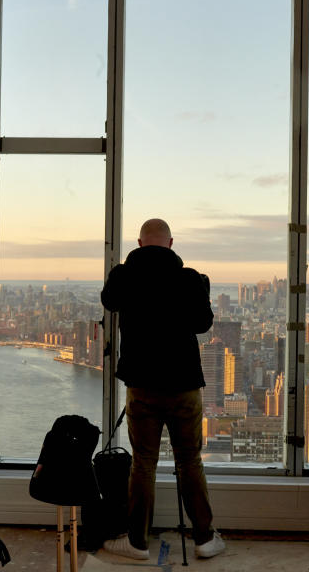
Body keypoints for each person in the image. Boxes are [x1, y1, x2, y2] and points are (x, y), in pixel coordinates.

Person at [100, 218, 225, 560]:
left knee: (143, 462)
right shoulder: (188, 278)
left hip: (142, 386)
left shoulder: (124, 275)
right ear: (171, 243)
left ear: (140, 243)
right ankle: (204, 538)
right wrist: (201, 288)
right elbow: (203, 323)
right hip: (184, 385)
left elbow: (109, 301)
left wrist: (123, 271)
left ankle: (137, 542)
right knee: (189, 461)